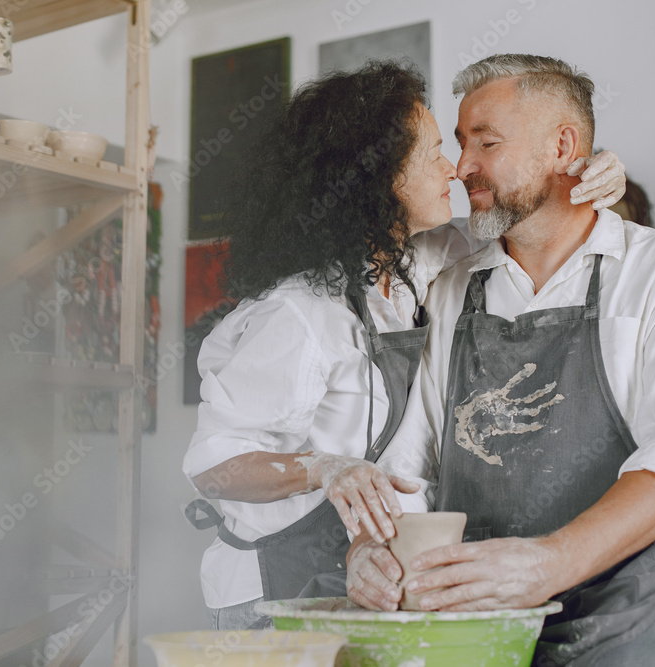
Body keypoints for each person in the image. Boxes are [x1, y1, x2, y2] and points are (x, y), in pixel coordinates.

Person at [182, 61, 627, 631]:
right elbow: (213, 468)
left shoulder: (416, 262)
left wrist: (589, 174)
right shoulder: (297, 315)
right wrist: (323, 469)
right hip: (270, 595)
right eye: (435, 153)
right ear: (378, 177)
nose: (454, 169)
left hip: (356, 579)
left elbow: (534, 218)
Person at [346, 54, 655, 666]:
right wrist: (374, 547)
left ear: (563, 146)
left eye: (487, 143)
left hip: (636, 598)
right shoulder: (447, 286)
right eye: (459, 144)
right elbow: (408, 467)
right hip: (477, 600)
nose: (462, 167)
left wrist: (549, 562)